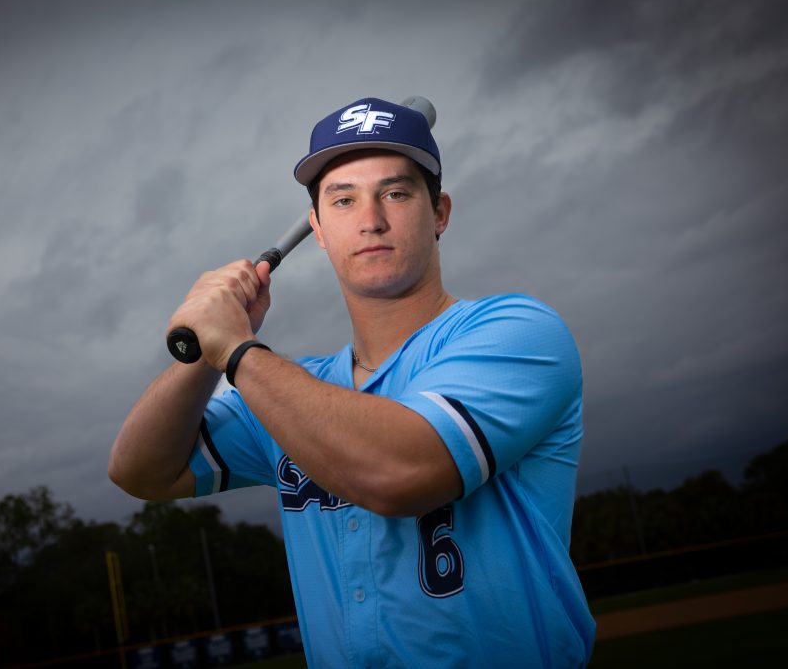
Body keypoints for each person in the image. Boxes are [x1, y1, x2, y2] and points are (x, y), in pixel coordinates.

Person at [109, 97, 596, 667]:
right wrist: (205, 351)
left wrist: (235, 348)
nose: (370, 219)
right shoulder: (290, 389)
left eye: (395, 193)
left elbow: (397, 473)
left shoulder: (517, 333)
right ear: (317, 228)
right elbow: (140, 469)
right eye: (343, 200)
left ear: (439, 213)